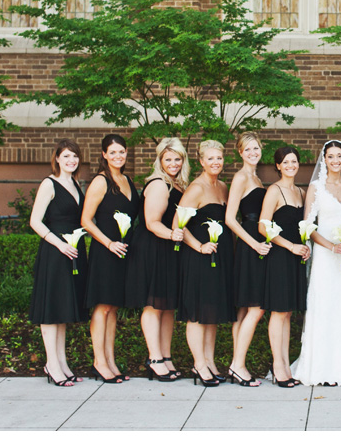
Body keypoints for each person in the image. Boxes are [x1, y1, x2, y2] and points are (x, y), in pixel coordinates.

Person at [291, 140, 341, 387]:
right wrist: (331, 246)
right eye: (331, 156)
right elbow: (308, 226)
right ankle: (319, 369)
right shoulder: (315, 187)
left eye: (339, 156)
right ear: (324, 159)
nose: (335, 160)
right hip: (325, 256)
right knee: (323, 306)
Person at [125, 138, 191, 382]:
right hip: (152, 248)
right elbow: (152, 222)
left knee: (166, 307)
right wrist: (173, 234)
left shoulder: (178, 184)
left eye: (177, 159)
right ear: (159, 160)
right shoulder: (158, 184)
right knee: (153, 305)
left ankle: (166, 356)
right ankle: (154, 359)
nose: (173, 163)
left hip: (168, 249)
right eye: (168, 159)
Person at [29, 139, 89, 387]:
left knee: (63, 309)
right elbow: (35, 221)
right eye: (66, 156)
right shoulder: (48, 183)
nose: (71, 161)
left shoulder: (76, 183)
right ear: (56, 159)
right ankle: (52, 365)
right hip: (56, 252)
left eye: (74, 156)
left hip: (74, 251)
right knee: (51, 309)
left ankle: (62, 363)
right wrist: (59, 244)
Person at [176, 139, 235, 387]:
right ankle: (198, 364)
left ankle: (210, 362)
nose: (215, 162)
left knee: (212, 311)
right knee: (197, 313)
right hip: (199, 257)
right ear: (201, 161)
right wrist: (199, 246)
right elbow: (178, 225)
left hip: (219, 257)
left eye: (219, 158)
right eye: (210, 158)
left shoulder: (222, 186)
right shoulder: (196, 188)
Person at [82, 134, 139, 383]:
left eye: (122, 151)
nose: (118, 156)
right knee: (102, 306)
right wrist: (108, 243)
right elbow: (85, 220)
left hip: (124, 252)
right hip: (105, 251)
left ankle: (111, 361)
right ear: (104, 154)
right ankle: (99, 362)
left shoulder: (127, 180)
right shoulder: (100, 181)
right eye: (113, 152)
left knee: (113, 307)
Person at [258, 146, 310, 388]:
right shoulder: (274, 191)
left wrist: (304, 245)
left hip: (296, 257)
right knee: (279, 312)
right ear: (278, 166)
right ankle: (278, 366)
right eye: (286, 162)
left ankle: (286, 364)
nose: (291, 165)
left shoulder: (300, 191)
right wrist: (290, 246)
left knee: (288, 313)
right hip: (280, 256)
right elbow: (263, 226)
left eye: (294, 161)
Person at [225, 132, 271, 387]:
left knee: (244, 310)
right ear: (240, 153)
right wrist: (253, 243)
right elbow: (231, 218)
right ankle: (238, 364)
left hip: (257, 243)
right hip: (249, 244)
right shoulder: (242, 177)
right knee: (257, 306)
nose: (253, 152)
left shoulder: (257, 177)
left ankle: (236, 364)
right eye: (248, 149)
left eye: (256, 148)